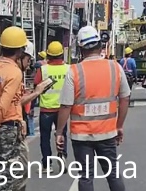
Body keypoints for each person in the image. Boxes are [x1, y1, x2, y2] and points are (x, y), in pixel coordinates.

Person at [0, 27, 53, 191]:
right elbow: (3, 106)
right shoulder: (14, 72)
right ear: (20, 50)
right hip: (7, 129)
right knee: (6, 178)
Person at [56, 26, 130, 191]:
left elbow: (66, 105)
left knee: (85, 176)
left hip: (81, 136)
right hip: (107, 133)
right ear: (100, 45)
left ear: (81, 49)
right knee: (113, 174)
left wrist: (59, 132)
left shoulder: (74, 71)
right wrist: (119, 125)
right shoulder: (115, 67)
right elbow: (125, 97)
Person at [34, 41, 69, 165]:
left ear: (48, 55)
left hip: (46, 110)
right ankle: (62, 155)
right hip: (62, 110)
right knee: (62, 133)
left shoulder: (43, 70)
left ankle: (46, 163)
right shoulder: (68, 69)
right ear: (62, 55)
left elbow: (36, 86)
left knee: (45, 137)